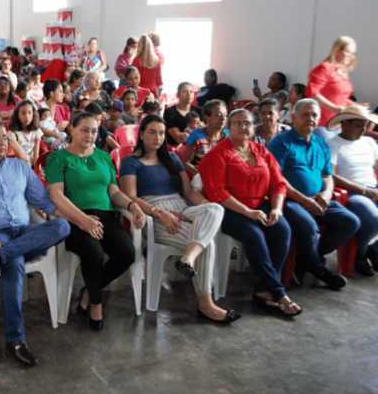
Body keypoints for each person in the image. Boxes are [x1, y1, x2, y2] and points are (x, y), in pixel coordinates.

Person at [0, 119, 71, 366]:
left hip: (24, 232)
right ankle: (15, 339)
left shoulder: (19, 167)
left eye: (5, 137)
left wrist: (77, 219)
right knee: (14, 264)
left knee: (62, 225)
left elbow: (44, 203)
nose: (2, 142)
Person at [119, 114, 238, 322]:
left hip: (181, 207)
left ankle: (188, 258)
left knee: (216, 209)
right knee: (207, 244)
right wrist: (159, 213)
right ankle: (206, 305)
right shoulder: (131, 161)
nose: (158, 137)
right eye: (152, 132)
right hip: (153, 215)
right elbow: (130, 196)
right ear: (142, 135)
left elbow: (189, 191)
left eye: (162, 133)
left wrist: (205, 207)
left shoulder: (172, 158)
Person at [46, 111, 145, 330]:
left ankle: (89, 294)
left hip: (107, 218)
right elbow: (56, 195)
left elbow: (113, 190)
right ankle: (96, 306)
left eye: (94, 131)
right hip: (74, 219)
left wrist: (131, 205)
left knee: (127, 253)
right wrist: (83, 220)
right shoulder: (58, 158)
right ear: (71, 129)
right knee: (94, 253)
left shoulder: (102, 157)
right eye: (84, 130)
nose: (90, 135)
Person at [198, 109, 300, 316]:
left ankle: (263, 289)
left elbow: (278, 184)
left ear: (254, 127)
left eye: (248, 123)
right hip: (228, 208)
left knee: (282, 231)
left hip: (259, 205)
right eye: (237, 123)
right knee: (255, 236)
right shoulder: (218, 154)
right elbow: (217, 192)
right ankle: (279, 292)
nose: (243, 127)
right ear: (228, 128)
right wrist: (247, 212)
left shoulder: (261, 151)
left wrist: (276, 209)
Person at [267, 99, 358, 288]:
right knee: (308, 227)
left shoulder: (321, 144)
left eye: (314, 115)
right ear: (293, 117)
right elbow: (276, 179)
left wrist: (326, 194)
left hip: (319, 199)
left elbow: (327, 175)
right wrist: (303, 200)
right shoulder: (281, 142)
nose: (311, 118)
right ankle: (318, 268)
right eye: (305, 114)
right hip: (289, 200)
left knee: (350, 222)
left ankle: (305, 259)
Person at [325, 106, 378, 276]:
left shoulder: (369, 142)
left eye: (365, 125)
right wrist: (364, 190)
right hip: (352, 193)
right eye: (359, 125)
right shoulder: (333, 144)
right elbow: (331, 175)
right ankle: (360, 254)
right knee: (374, 219)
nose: (364, 129)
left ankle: (372, 249)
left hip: (373, 188)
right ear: (345, 124)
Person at [182, 99, 228, 177]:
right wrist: (202, 176)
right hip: (201, 177)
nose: (223, 118)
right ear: (207, 118)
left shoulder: (229, 136)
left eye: (225, 115)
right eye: (218, 115)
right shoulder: (196, 135)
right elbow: (185, 162)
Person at [163, 82, 202, 147]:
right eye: (185, 92)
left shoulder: (199, 110)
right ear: (178, 95)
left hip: (198, 145)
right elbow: (178, 138)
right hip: (177, 146)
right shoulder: (170, 111)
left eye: (191, 92)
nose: (189, 94)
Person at [8, 100, 42, 167]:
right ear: (17, 115)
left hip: (31, 164)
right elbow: (16, 155)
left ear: (33, 114)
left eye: (29, 113)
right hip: (18, 164)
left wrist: (36, 169)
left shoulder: (36, 131)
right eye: (23, 113)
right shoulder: (13, 133)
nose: (27, 116)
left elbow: (36, 155)